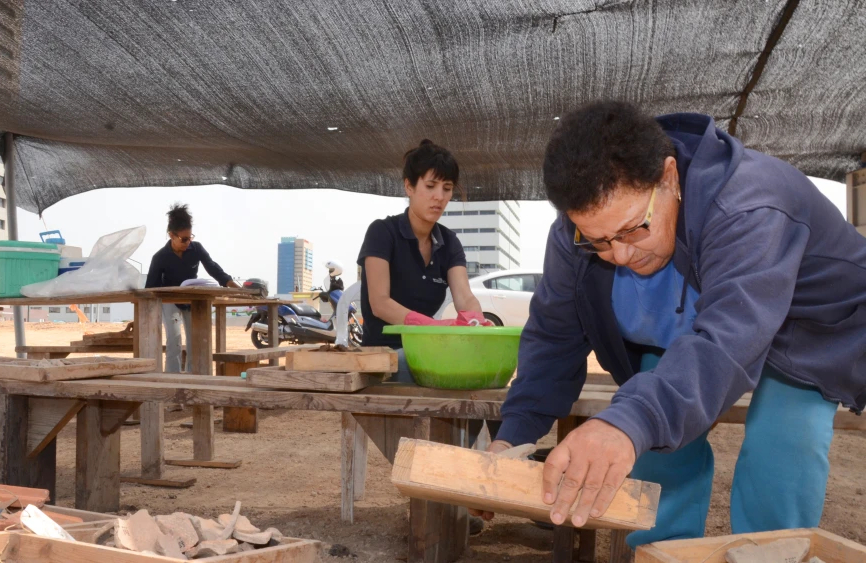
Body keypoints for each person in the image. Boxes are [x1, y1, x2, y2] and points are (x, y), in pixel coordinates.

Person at [472, 101, 866, 548]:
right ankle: (663, 554)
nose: (619, 255)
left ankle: (773, 554)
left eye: (633, 230)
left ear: (669, 178)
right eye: (598, 242)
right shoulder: (577, 231)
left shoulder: (748, 204)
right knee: (654, 445)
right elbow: (554, 334)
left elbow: (728, 341)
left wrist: (629, 421)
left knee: (782, 446)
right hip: (706, 323)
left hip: (810, 329)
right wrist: (514, 437)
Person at [357, 139, 490, 381]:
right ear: (409, 186)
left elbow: (465, 297)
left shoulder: (449, 243)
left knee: (487, 367)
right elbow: (380, 303)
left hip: (427, 350)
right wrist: (432, 327)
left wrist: (477, 323)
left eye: (447, 188)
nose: (439, 197)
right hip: (383, 355)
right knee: (423, 366)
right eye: (430, 186)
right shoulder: (382, 232)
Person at [145, 204, 241, 373]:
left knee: (194, 342)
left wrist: (231, 284)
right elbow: (150, 287)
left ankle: (192, 378)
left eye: (190, 238)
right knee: (174, 342)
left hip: (191, 300)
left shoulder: (196, 248)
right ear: (171, 236)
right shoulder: (160, 257)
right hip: (170, 302)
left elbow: (213, 268)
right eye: (183, 239)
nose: (188, 242)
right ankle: (172, 381)